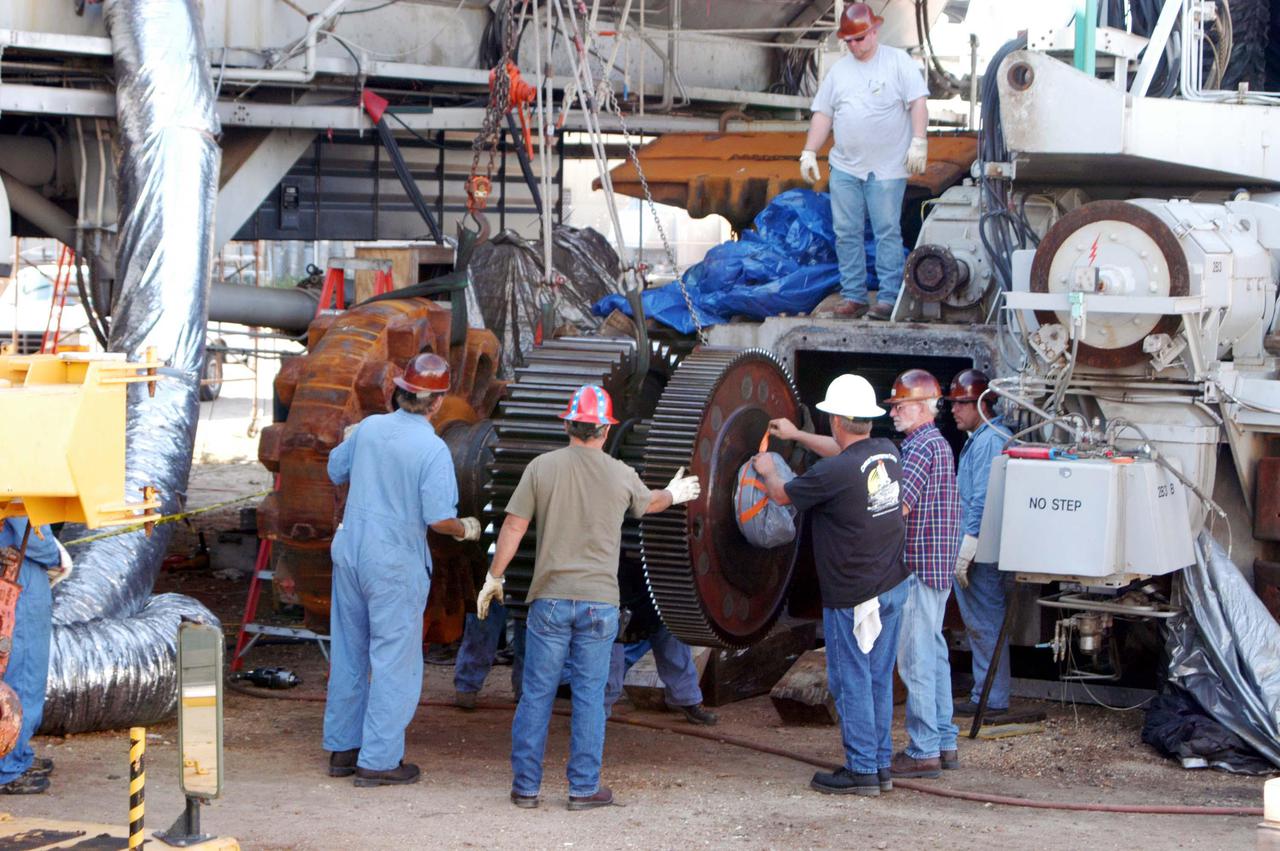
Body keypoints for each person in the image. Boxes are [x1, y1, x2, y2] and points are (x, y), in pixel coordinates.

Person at [476, 384, 700, 811]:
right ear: (605, 430)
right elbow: (648, 504)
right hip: (600, 605)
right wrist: (674, 494)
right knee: (590, 696)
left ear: (567, 424)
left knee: (537, 694)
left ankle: (526, 787)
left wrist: (494, 577)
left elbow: (512, 526)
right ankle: (582, 789)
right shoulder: (619, 473)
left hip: (551, 601)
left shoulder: (542, 468)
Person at [323, 353, 482, 787]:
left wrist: (356, 442)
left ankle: (343, 750)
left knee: (350, 652)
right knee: (394, 660)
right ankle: (378, 761)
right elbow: (438, 519)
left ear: (401, 391)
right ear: (436, 404)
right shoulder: (432, 448)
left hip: (351, 552)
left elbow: (336, 469)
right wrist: (466, 528)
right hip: (393, 564)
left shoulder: (371, 429)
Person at [759, 375, 909, 796]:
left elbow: (783, 495)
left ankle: (860, 769)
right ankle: (879, 765)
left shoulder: (834, 472)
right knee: (878, 676)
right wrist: (797, 435)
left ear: (839, 418)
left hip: (856, 594)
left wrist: (768, 468)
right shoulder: (886, 452)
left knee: (850, 679)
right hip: (893, 585)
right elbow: (842, 453)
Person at [799, 3, 929, 320]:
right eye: (850, 41)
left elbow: (918, 103)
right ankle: (854, 297)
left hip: (887, 167)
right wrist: (809, 150)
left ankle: (887, 299)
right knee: (846, 232)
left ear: (874, 31)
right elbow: (823, 114)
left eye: (859, 39)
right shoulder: (840, 71)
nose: (855, 46)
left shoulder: (898, 63)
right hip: (846, 165)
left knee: (886, 231)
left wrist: (919, 140)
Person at [884, 369, 961, 779]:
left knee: (914, 660)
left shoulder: (918, 448)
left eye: (899, 405)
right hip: (936, 567)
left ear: (920, 406)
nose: (894, 412)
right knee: (933, 656)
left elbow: (900, 507)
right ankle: (944, 741)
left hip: (915, 567)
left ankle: (923, 750)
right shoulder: (939, 444)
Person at [947, 369, 1012, 717]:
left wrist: (969, 543)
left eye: (962, 403)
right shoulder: (983, 438)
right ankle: (986, 693)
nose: (954, 410)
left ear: (983, 404)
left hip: (982, 550)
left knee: (984, 622)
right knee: (983, 622)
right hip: (982, 547)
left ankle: (990, 698)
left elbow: (982, 498)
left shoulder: (989, 440)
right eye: (954, 403)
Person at [0, 518, 63, 795]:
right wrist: (55, 554)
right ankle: (8, 764)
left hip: (12, 565)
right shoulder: (20, 477)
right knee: (22, 673)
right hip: (19, 571)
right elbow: (31, 525)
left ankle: (16, 751)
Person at [604, 623, 717, 726]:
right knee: (617, 655)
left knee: (669, 626)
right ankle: (594, 715)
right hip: (618, 610)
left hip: (653, 605)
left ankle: (686, 699)